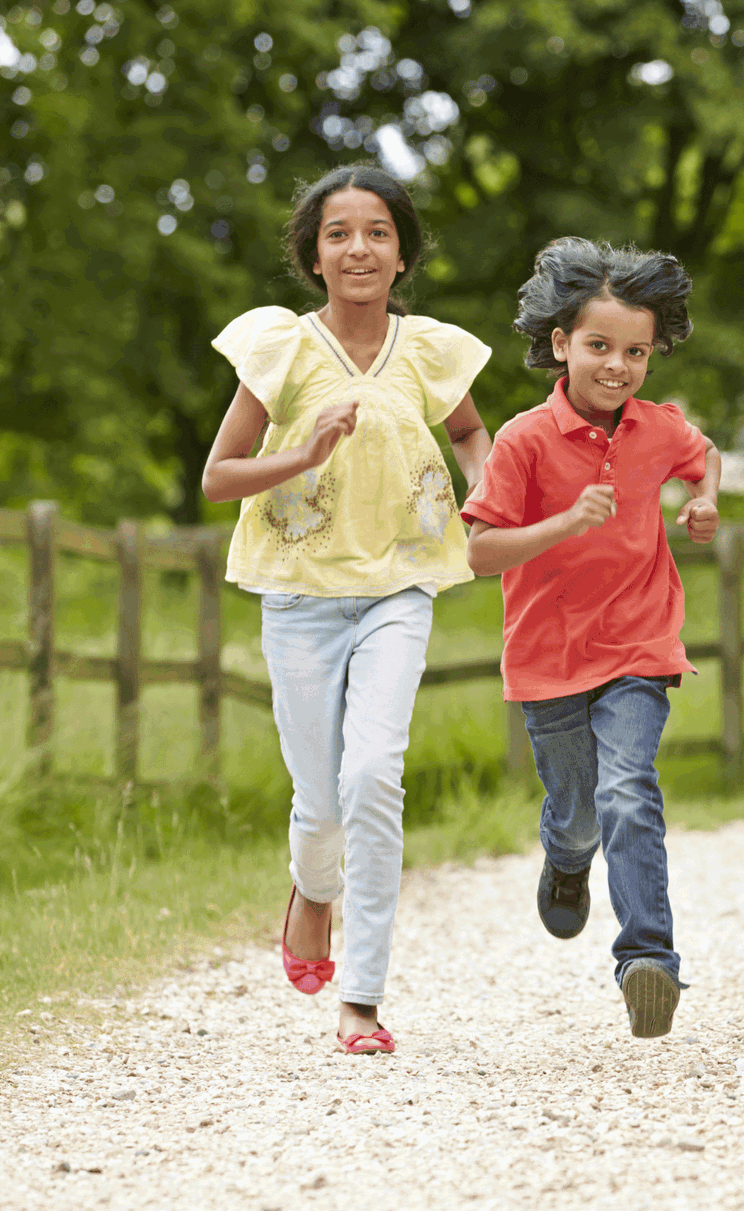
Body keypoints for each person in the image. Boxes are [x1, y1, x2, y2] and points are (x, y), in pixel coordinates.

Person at [199, 163, 493, 1055]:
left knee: (373, 776)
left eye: (377, 231)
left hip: (399, 589)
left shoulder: (432, 349)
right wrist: (305, 451)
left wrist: (484, 495)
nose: (358, 247)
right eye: (338, 233)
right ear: (313, 256)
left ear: (402, 254)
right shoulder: (281, 350)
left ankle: (361, 998)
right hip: (298, 599)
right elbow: (217, 479)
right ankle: (311, 888)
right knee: (321, 804)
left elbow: (473, 431)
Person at [460, 238, 720, 1040]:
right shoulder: (524, 440)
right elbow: (478, 553)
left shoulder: (657, 427)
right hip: (549, 659)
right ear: (561, 343)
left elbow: (704, 454)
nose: (618, 365)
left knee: (628, 791)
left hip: (641, 647)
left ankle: (649, 960)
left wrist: (705, 499)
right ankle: (566, 860)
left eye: (636, 351)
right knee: (579, 812)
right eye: (600, 346)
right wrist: (564, 523)